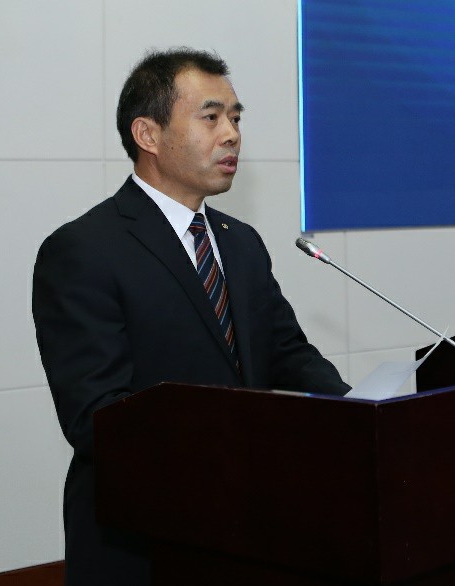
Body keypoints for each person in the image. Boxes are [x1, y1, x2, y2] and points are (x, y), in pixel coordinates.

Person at [33, 47, 349, 585]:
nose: (231, 135)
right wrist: (231, 451)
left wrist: (359, 411)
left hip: (246, 528)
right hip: (143, 538)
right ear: (148, 134)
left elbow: (286, 352)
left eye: (236, 118)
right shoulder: (85, 249)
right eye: (211, 117)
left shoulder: (240, 242)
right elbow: (97, 418)